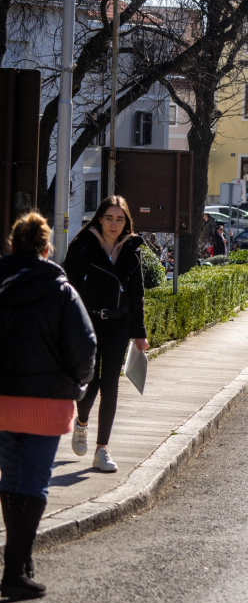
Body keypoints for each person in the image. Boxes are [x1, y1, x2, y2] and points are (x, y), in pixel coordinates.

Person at [0, 212, 97, 600]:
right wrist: (78, 383)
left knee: (10, 479)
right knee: (35, 482)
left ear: (13, 244)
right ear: (46, 248)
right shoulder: (61, 291)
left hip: (3, 400)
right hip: (47, 403)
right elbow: (85, 346)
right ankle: (15, 569)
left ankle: (19, 565)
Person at [63, 195, 149, 473]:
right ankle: (82, 422)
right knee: (91, 382)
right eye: (109, 218)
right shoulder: (82, 245)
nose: (114, 224)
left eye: (120, 219)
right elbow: (69, 289)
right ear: (99, 219)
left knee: (110, 384)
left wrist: (140, 332)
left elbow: (137, 294)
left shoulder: (132, 248)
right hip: (88, 323)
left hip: (119, 323)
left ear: (126, 222)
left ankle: (102, 450)